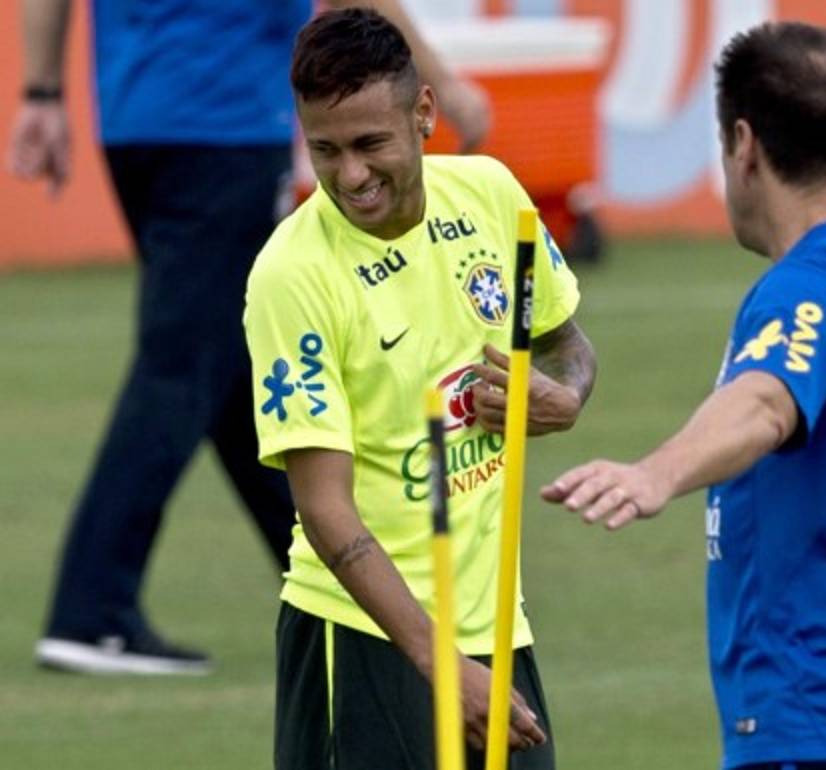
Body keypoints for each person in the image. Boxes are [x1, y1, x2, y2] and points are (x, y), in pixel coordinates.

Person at [543, 22, 826, 770]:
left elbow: (763, 403)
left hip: (821, 725)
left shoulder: (809, 285)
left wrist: (655, 473)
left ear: (744, 145)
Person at [6, 0, 491, 675]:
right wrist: (450, 86)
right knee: (182, 366)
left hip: (132, 120)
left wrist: (42, 91)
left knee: (233, 365)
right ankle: (90, 612)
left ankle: (336, 584)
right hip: (225, 119)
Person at [244, 9, 595, 769]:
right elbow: (325, 511)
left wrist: (563, 399)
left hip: (498, 628)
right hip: (366, 640)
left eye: (371, 144)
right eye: (324, 150)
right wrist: (438, 664)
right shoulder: (291, 276)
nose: (350, 176)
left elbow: (570, 350)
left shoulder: (495, 198)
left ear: (425, 114)